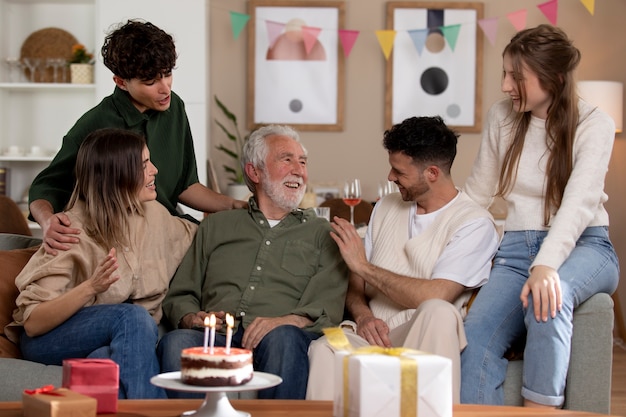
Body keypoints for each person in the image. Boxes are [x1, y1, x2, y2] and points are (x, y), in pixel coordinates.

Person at [460, 24, 619, 409]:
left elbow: (579, 204)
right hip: (515, 250)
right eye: (505, 73)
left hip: (585, 244)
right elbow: (476, 194)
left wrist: (546, 265)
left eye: (517, 77)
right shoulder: (502, 117)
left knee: (549, 300)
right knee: (476, 335)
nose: (505, 86)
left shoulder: (595, 124)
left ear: (554, 78)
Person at [306, 116, 500, 403]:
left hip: (420, 335)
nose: (390, 177)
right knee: (325, 347)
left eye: (399, 171)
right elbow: (355, 285)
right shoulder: (385, 207)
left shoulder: (474, 223)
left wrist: (363, 266)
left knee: (439, 310)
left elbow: (435, 294)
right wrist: (363, 316)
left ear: (432, 173)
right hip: (369, 334)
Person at [157, 124, 348, 399]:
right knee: (177, 342)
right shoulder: (216, 226)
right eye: (287, 159)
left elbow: (327, 304)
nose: (299, 170)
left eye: (303, 162)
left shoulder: (322, 233)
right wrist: (190, 317)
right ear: (254, 171)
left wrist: (285, 322)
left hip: (281, 339)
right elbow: (182, 292)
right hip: (216, 337)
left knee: (283, 338)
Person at [5, 128, 198, 398]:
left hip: (118, 338)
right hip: (49, 338)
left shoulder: (154, 215)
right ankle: (151, 412)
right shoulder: (70, 231)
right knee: (130, 316)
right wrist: (90, 287)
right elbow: (34, 323)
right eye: (144, 164)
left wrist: (243, 215)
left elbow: (200, 237)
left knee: (105, 359)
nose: (154, 170)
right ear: (118, 174)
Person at [28, 19, 244, 255]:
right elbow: (47, 187)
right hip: (118, 243)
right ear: (121, 82)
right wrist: (47, 220)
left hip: (166, 229)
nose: (165, 88)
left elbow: (185, 185)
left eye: (167, 74)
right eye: (150, 82)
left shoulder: (175, 108)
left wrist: (234, 205)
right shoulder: (94, 124)